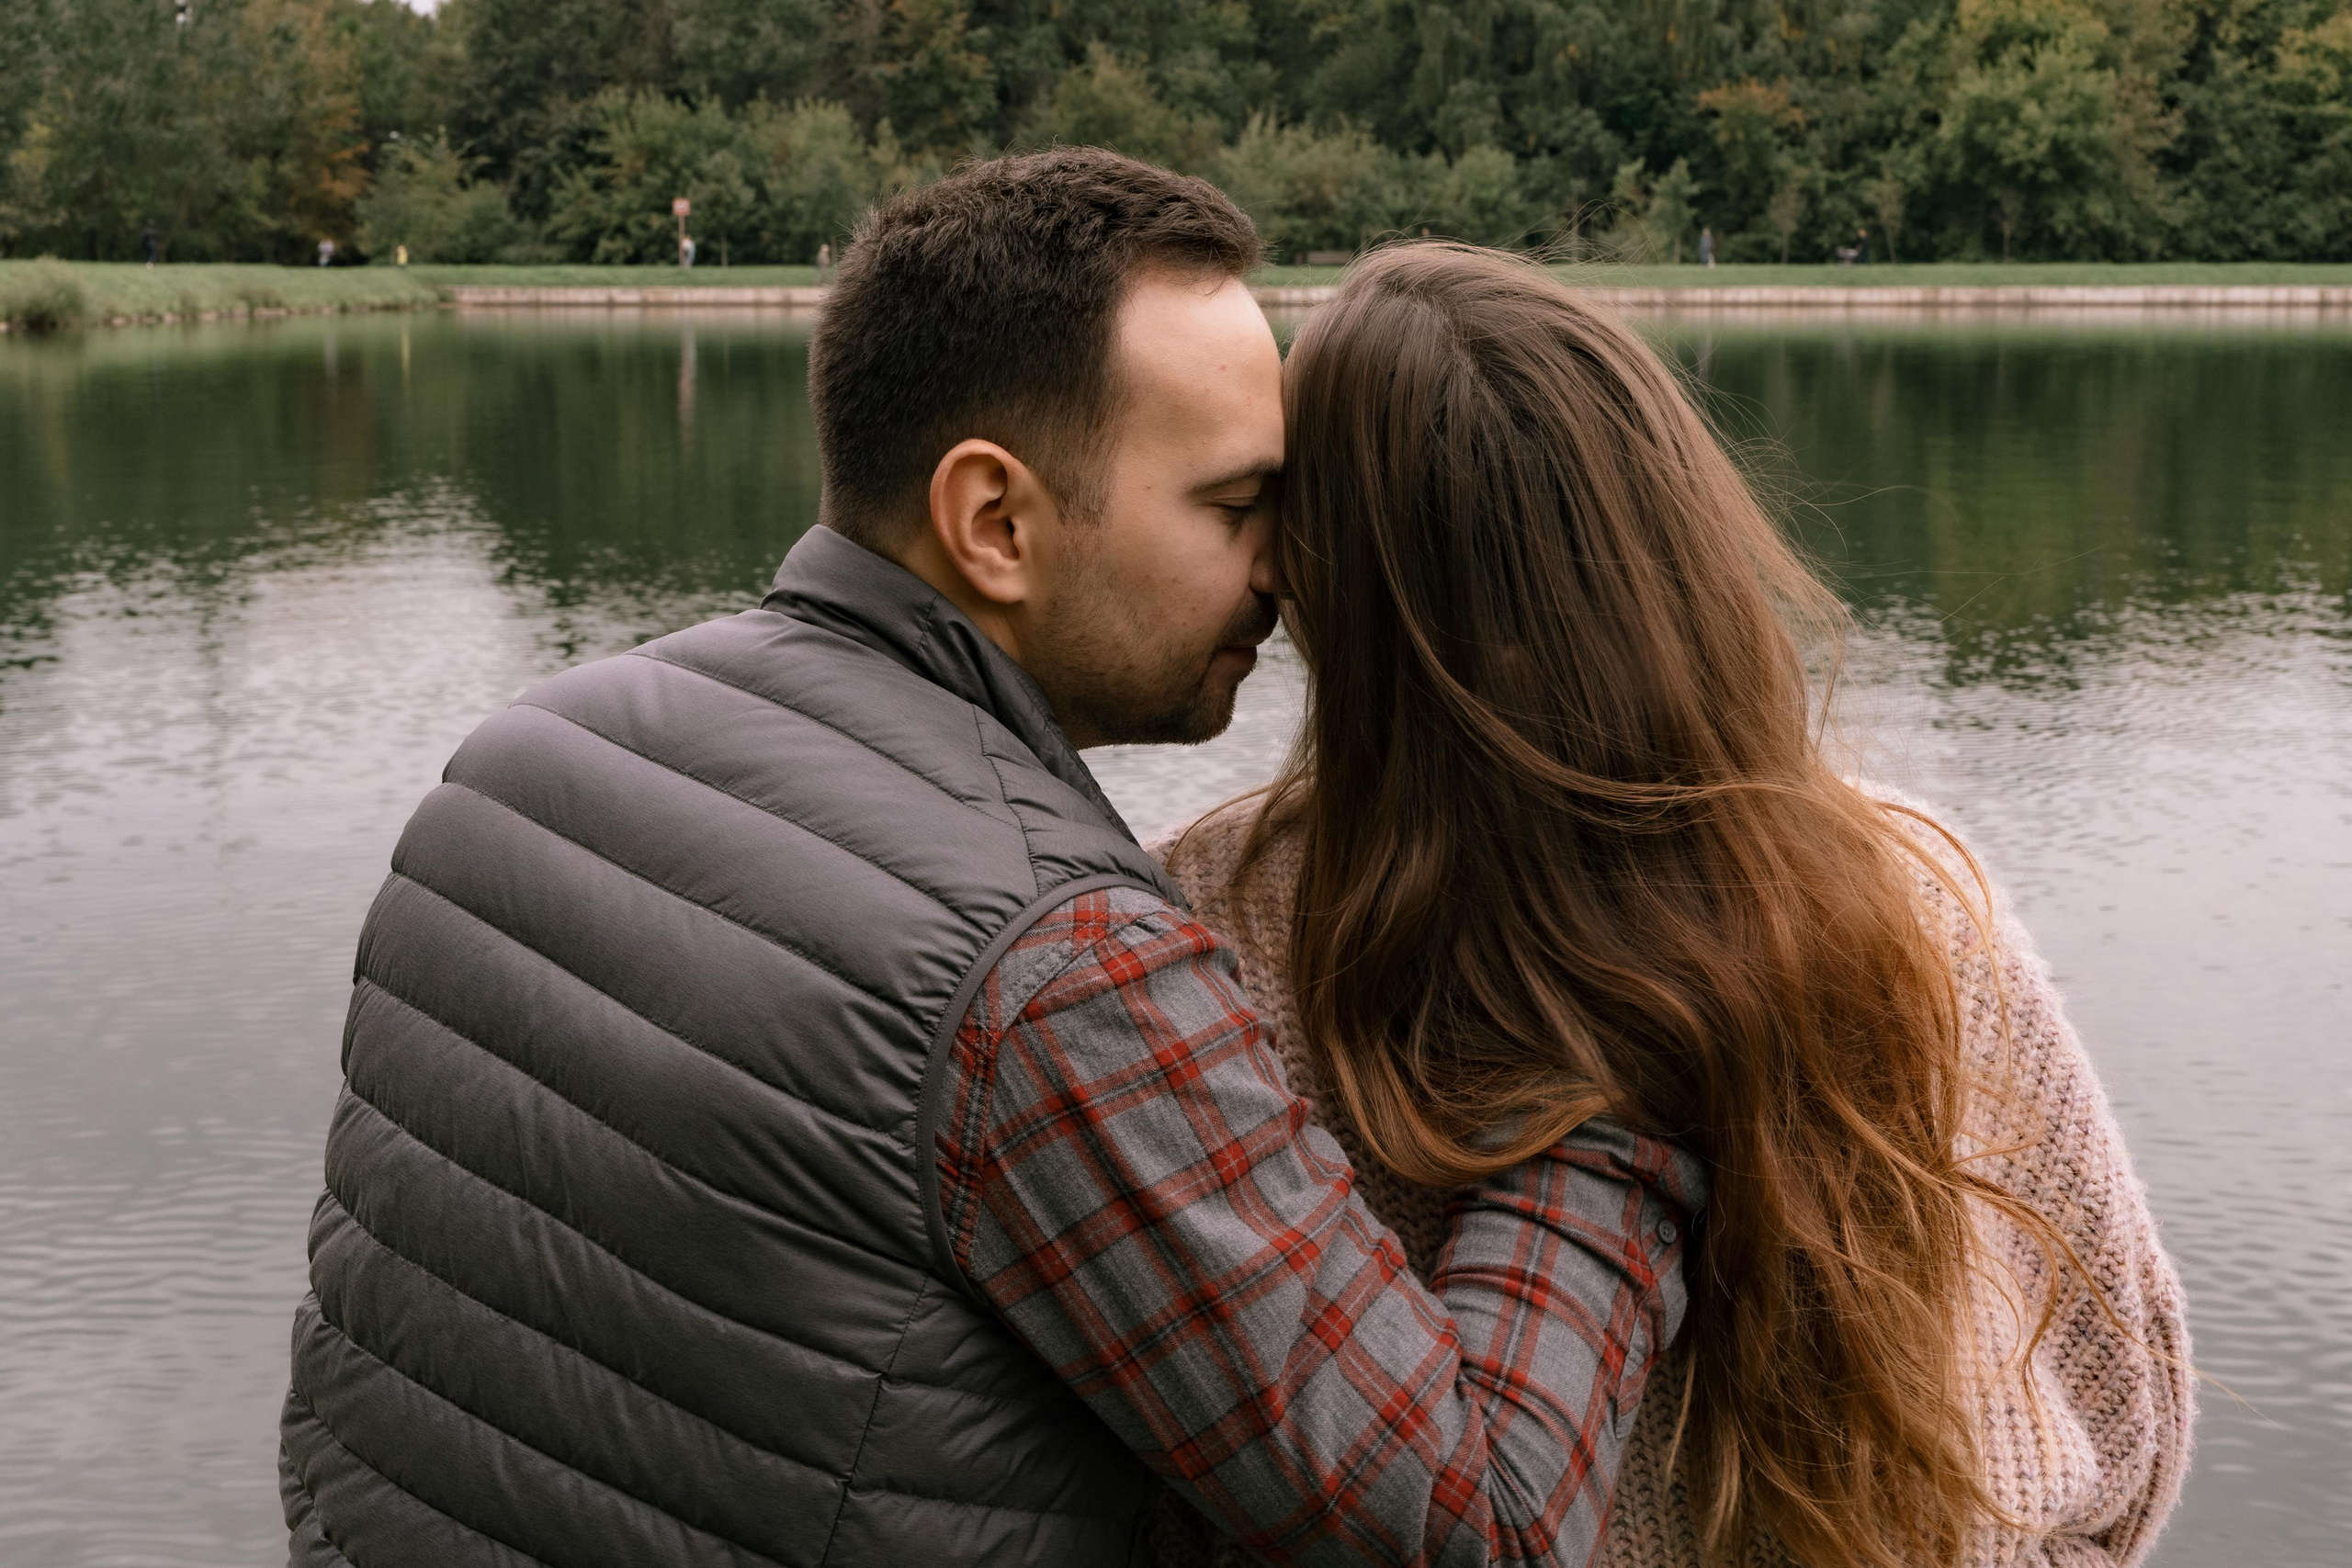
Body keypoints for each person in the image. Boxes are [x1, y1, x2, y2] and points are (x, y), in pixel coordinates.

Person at [278, 152, 1701, 1567]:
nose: (1284, 569)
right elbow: (1481, 1532)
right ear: (995, 523)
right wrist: (1614, 1059)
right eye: (1232, 506)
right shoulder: (1054, 968)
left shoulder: (521, 764)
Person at [1158, 244, 2194, 1567]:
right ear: (1670, 531)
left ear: (1332, 577)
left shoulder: (1215, 921)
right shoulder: (1902, 884)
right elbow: (2128, 1406)